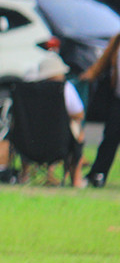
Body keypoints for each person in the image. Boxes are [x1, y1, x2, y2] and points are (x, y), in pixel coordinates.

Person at [19, 56, 85, 187]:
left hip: (30, 141)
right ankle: (76, 178)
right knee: (78, 131)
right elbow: (79, 114)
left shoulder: (30, 91)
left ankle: (24, 174)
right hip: (59, 141)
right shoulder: (65, 89)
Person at [80, 33, 120, 188]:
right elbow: (103, 62)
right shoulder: (117, 39)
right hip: (117, 99)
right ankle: (97, 174)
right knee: (110, 137)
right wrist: (88, 76)